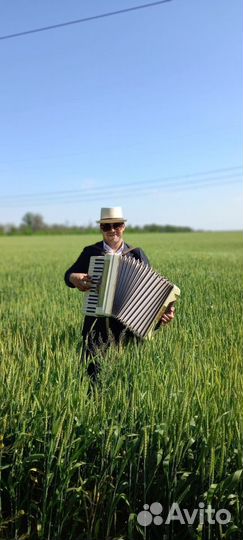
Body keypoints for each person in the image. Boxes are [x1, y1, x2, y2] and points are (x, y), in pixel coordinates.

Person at [64, 207, 175, 381]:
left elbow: (151, 291)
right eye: (106, 227)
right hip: (97, 325)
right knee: (93, 376)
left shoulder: (136, 254)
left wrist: (163, 315)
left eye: (116, 225)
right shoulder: (91, 252)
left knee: (127, 378)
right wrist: (74, 277)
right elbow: (68, 275)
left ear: (123, 226)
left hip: (130, 327)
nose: (112, 230)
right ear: (101, 229)